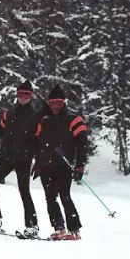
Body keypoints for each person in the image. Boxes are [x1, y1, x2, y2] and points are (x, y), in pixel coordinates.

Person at [0, 80, 41, 235]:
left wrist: (39, 162)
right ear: (17, 95)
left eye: (26, 94)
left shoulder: (35, 116)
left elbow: (40, 140)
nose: (23, 97)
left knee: (24, 190)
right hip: (7, 156)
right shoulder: (9, 113)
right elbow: (1, 132)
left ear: (31, 96)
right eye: (20, 94)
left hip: (23, 159)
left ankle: (32, 226)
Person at [31, 85, 90, 240]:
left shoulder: (74, 120)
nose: (55, 106)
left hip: (64, 165)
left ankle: (74, 230)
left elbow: (83, 143)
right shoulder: (44, 122)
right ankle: (59, 228)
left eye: (58, 102)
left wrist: (80, 165)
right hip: (46, 165)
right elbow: (38, 144)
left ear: (64, 103)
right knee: (50, 198)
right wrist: (37, 164)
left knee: (65, 195)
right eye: (52, 103)